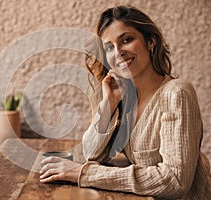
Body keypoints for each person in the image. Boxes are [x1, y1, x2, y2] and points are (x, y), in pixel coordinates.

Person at [39, 5, 211, 199]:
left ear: (151, 41)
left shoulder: (177, 93)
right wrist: (108, 104)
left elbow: (174, 180)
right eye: (109, 47)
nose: (118, 52)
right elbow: (90, 154)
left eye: (127, 40)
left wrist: (84, 174)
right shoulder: (125, 97)